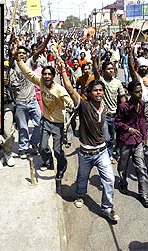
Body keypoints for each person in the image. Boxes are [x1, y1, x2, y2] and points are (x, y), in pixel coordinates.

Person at [59, 57, 120, 221]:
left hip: (102, 152)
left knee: (109, 179)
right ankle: (79, 195)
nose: (99, 93)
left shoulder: (105, 108)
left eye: (101, 90)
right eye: (95, 90)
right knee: (82, 177)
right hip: (85, 153)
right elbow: (71, 90)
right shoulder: (84, 106)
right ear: (89, 93)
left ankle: (107, 208)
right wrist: (63, 71)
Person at [13, 38, 74, 180]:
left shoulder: (59, 89)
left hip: (58, 124)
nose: (46, 77)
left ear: (53, 77)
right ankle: (48, 162)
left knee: (58, 151)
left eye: (49, 75)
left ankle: (61, 167)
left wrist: (72, 105)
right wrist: (17, 57)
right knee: (43, 147)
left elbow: (68, 100)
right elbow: (27, 72)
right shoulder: (40, 81)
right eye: (44, 74)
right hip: (46, 121)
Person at [115, 79, 148, 208]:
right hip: (125, 141)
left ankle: (144, 194)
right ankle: (122, 182)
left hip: (137, 142)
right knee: (123, 165)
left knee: (141, 167)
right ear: (130, 93)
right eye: (137, 92)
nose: (140, 94)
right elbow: (117, 122)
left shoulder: (141, 104)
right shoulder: (123, 107)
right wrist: (128, 129)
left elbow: (142, 120)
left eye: (141, 91)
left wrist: (144, 136)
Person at [93, 58, 126, 164]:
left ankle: (113, 153)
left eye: (112, 69)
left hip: (115, 114)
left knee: (114, 137)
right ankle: (108, 155)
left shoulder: (117, 83)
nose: (111, 71)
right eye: (108, 69)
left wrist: (125, 111)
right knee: (107, 137)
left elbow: (122, 97)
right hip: (104, 115)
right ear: (103, 71)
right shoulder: (101, 82)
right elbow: (96, 74)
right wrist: (94, 61)